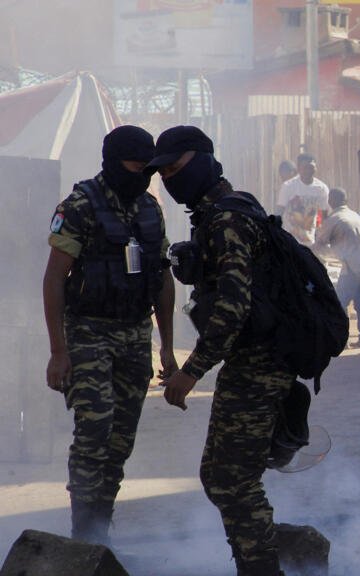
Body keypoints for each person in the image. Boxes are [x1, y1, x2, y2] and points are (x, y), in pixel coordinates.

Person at [150, 126, 296, 576]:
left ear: (203, 160)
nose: (172, 180)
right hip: (253, 359)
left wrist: (190, 371)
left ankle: (264, 567)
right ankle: (267, 558)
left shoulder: (226, 219)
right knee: (221, 476)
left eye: (177, 168)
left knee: (231, 480)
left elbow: (233, 307)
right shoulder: (222, 210)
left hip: (260, 362)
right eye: (166, 172)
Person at [43, 125, 177, 545]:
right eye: (136, 167)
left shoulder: (150, 209)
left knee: (120, 439)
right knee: (94, 432)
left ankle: (101, 525)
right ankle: (83, 537)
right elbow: (53, 279)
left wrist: (168, 346)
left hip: (135, 335)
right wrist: (58, 351)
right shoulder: (80, 205)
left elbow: (162, 279)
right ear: (114, 161)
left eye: (148, 169)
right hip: (88, 333)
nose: (144, 176)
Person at [314, 188, 360, 321]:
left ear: (330, 201)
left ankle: (341, 334)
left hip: (349, 269)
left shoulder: (334, 219)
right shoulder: (355, 215)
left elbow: (319, 244)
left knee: (338, 303)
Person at [276, 152, 329, 246]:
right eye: (305, 167)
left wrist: (319, 233)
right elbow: (279, 212)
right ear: (299, 168)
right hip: (290, 240)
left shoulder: (321, 188)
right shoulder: (288, 186)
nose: (308, 171)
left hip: (310, 241)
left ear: (315, 168)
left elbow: (322, 215)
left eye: (311, 167)